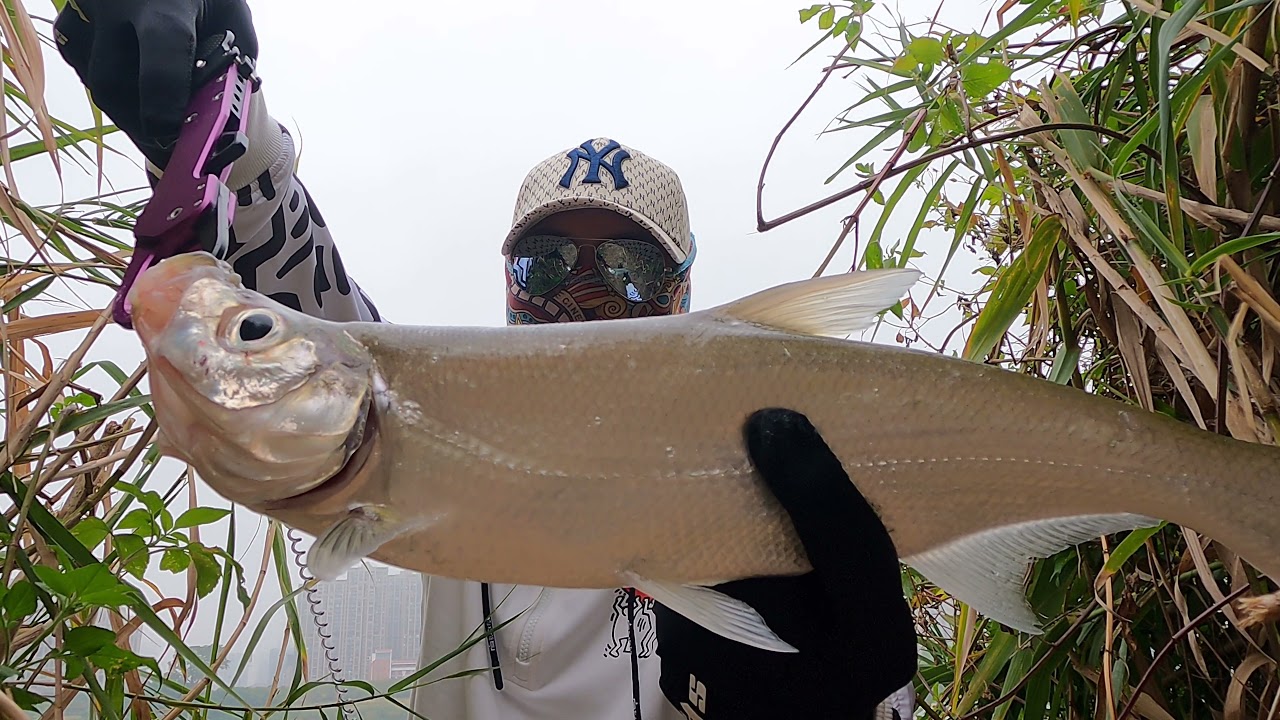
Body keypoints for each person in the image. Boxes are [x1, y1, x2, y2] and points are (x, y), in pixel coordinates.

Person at [52, 2, 919, 718]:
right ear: (506, 284)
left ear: (683, 291)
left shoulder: (792, 482)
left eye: (628, 267)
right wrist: (218, 103)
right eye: (547, 265)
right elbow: (312, 320)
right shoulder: (430, 417)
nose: (584, 296)